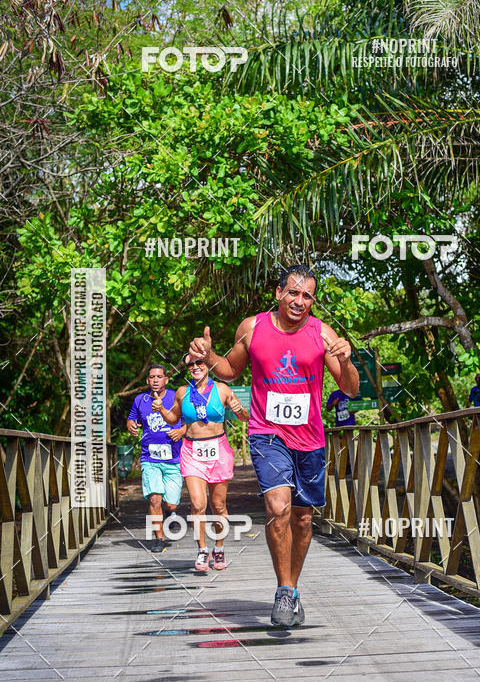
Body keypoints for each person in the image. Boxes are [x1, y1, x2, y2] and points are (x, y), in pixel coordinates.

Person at [188, 264, 360, 627]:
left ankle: (292, 589)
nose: (300, 301)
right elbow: (230, 371)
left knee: (302, 518)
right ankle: (283, 590)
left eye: (307, 295)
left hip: (310, 439)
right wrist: (209, 355)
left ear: (313, 300)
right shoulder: (252, 328)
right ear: (278, 293)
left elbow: (350, 388)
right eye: (293, 293)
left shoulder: (322, 333)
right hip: (267, 434)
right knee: (278, 507)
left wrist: (346, 360)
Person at [153, 354, 249, 573]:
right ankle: (202, 550)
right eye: (190, 364)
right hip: (192, 451)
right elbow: (173, 418)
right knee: (197, 504)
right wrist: (161, 410)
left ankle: (219, 548)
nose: (195, 367)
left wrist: (240, 409)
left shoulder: (223, 389)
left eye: (199, 363)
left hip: (218, 451)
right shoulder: (182, 392)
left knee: (218, 506)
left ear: (208, 365)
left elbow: (243, 416)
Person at [126, 364, 186, 553]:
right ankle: (159, 539)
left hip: (173, 458)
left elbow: (190, 422)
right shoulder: (140, 399)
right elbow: (131, 418)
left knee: (171, 503)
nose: (155, 380)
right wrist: (131, 425)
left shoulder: (176, 396)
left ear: (166, 380)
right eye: (152, 377)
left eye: (159, 377)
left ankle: (170, 511)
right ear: (147, 380)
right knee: (154, 499)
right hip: (149, 458)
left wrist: (181, 431)